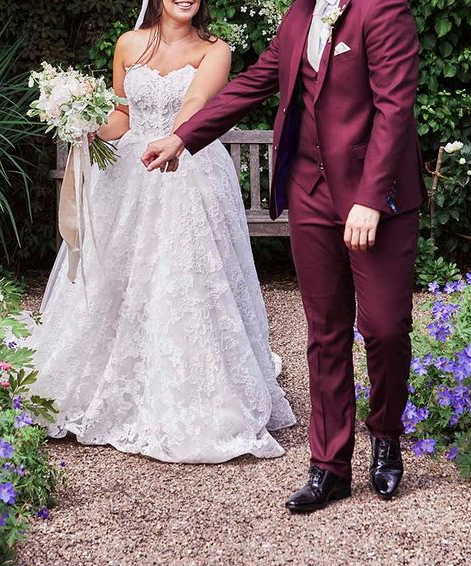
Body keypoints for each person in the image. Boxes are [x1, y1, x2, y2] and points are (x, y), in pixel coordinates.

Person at [143, 0, 426, 511]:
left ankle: (385, 436)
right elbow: (253, 83)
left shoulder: (383, 11)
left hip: (374, 197)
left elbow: (394, 110)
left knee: (384, 327)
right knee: (325, 331)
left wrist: (370, 198)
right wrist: (184, 137)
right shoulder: (299, 15)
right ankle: (329, 466)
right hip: (310, 191)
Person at [26, 0, 295, 463]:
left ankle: (189, 391)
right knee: (119, 279)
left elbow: (194, 104)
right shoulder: (127, 44)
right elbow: (123, 119)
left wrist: (173, 140)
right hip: (128, 179)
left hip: (188, 168)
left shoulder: (216, 51)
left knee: (184, 277)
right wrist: (85, 120)